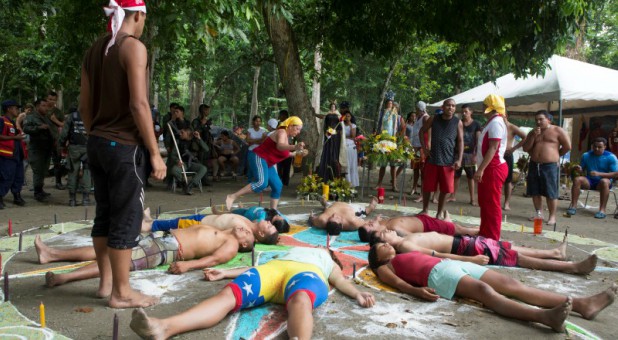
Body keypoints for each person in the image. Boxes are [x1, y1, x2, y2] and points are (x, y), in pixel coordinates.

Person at [79, 0, 167, 308]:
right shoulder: (132, 47)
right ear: (139, 14)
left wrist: (96, 133)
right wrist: (155, 154)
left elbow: (84, 104)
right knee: (127, 217)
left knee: (104, 214)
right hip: (124, 147)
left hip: (98, 143)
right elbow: (139, 105)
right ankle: (122, 293)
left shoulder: (96, 49)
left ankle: (106, 285)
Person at [129, 247, 375, 340]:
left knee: (301, 300)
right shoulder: (290, 251)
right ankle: (164, 327)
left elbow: (341, 282)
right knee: (227, 296)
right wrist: (226, 274)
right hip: (272, 270)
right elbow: (255, 268)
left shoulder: (327, 261)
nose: (325, 247)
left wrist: (357, 294)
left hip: (306, 275)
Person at [368, 242, 616, 333]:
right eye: (382, 247)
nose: (388, 246)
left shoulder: (404, 250)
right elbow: (398, 284)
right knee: (486, 293)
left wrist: (468, 260)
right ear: (379, 258)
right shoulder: (384, 267)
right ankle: (543, 317)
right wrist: (415, 291)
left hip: (447, 264)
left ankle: (583, 304)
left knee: (511, 284)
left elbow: (438, 252)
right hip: (437, 275)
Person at [36, 223, 254, 287]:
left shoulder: (232, 245)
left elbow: (214, 260)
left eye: (248, 234)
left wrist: (189, 266)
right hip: (163, 237)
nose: (245, 229)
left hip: (169, 248)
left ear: (245, 244)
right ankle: (52, 254)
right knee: (112, 249)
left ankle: (64, 278)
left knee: (120, 261)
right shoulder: (224, 231)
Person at [370, 229, 597, 275]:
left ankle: (554, 253)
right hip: (465, 249)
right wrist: (471, 259)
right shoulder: (406, 247)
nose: (387, 233)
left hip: (465, 241)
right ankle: (571, 267)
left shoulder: (403, 236)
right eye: (383, 237)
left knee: (507, 248)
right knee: (517, 259)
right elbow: (438, 255)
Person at [226, 116, 305, 211]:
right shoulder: (281, 132)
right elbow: (280, 146)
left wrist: (298, 153)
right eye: (297, 129)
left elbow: (285, 152)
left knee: (277, 185)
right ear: (291, 126)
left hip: (267, 162)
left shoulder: (286, 136)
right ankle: (232, 196)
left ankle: (273, 211)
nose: (298, 132)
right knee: (261, 183)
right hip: (258, 157)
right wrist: (295, 146)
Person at [522, 110, 571, 226]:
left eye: (541, 119)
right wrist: (534, 136)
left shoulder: (557, 130)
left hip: (549, 165)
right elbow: (526, 148)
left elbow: (567, 146)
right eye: (536, 120)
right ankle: (539, 213)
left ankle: (552, 216)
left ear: (549, 119)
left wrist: (556, 155)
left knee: (551, 192)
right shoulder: (533, 132)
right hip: (534, 164)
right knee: (535, 191)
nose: (538, 122)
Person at [419, 98, 463, 218]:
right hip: (433, 158)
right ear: (443, 107)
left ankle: (439, 213)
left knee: (446, 189)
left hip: (449, 161)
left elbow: (460, 141)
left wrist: (459, 159)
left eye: (453, 106)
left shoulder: (457, 122)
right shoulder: (434, 118)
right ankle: (425, 210)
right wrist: (424, 148)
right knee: (428, 186)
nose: (451, 108)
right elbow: (422, 131)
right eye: (448, 105)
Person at [140, 208, 279, 245]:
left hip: (199, 225)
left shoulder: (244, 232)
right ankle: (150, 221)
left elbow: (221, 236)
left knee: (169, 224)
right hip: (203, 219)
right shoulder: (252, 223)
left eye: (269, 226)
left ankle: (145, 226)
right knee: (172, 221)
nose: (269, 222)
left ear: (261, 234)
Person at [474, 95, 508, 241]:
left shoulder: (496, 123)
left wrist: (480, 169)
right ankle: (485, 232)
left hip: (493, 168)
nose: (482, 108)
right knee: (485, 202)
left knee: (492, 204)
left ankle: (493, 237)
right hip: (489, 167)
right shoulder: (492, 122)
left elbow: (493, 147)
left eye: (484, 105)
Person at [567, 137, 618, 219]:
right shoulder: (586, 155)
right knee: (577, 179)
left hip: (603, 183)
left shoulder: (611, 157)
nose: (596, 149)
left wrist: (599, 174)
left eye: (600, 147)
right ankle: (573, 206)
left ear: (605, 147)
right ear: (592, 146)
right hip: (589, 181)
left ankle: (602, 210)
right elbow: (581, 170)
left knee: (604, 181)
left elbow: (616, 174)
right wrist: (578, 168)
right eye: (595, 146)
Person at [357, 211, 479, 242]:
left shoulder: (381, 224)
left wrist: (375, 220)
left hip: (422, 219)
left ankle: (448, 222)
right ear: (373, 233)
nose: (369, 223)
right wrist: (435, 236)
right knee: (460, 230)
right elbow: (414, 236)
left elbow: (373, 221)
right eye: (370, 226)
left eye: (368, 223)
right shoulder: (393, 231)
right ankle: (481, 231)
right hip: (427, 226)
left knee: (454, 226)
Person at [23, 98, 56, 201]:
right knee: (38, 171)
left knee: (43, 170)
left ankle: (40, 189)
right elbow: (26, 129)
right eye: (43, 106)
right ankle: (37, 192)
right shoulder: (31, 117)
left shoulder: (46, 117)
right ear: (37, 106)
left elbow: (52, 130)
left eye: (46, 106)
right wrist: (39, 128)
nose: (46, 108)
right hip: (36, 148)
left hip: (47, 148)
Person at [448, 104, 480, 205]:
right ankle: (453, 196)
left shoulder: (476, 124)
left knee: (470, 177)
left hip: (470, 154)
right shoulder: (458, 123)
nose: (464, 113)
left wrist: (476, 154)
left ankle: (472, 199)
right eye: (463, 112)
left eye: (466, 111)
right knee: (456, 175)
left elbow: (478, 140)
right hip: (458, 153)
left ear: (471, 112)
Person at [58, 108, 91, 206]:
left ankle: (72, 199)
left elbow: (64, 133)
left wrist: (61, 145)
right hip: (88, 148)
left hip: (74, 148)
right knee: (87, 172)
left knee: (72, 172)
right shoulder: (93, 115)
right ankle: (86, 199)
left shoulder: (72, 116)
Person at [375, 93, 406, 191]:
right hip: (383, 139)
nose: (389, 104)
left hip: (392, 140)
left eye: (391, 103)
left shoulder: (395, 114)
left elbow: (400, 127)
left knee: (393, 165)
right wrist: (377, 137)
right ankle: (379, 184)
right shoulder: (382, 113)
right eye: (388, 103)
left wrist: (398, 138)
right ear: (385, 104)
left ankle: (394, 185)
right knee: (383, 164)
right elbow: (379, 125)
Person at [0, 99, 26, 209]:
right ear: (9, 109)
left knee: (19, 177)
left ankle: (17, 195)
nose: (17, 110)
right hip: (6, 155)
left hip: (17, 155)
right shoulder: (2, 120)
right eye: (15, 108)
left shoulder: (13, 122)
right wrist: (14, 137)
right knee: (6, 177)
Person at [168, 127, 209, 195]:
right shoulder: (178, 142)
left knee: (203, 168)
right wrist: (177, 161)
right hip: (183, 163)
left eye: (182, 132)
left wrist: (199, 138)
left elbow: (206, 149)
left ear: (188, 133)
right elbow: (173, 155)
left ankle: (190, 186)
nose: (180, 134)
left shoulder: (196, 140)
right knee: (174, 170)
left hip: (193, 164)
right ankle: (184, 184)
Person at [309, 196, 378, 233]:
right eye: (337, 218)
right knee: (363, 212)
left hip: (332, 205)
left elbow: (312, 219)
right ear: (342, 225)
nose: (335, 214)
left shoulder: (322, 220)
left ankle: (325, 204)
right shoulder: (353, 222)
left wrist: (312, 217)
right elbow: (366, 223)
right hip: (352, 209)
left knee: (327, 208)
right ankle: (370, 208)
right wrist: (376, 220)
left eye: (332, 216)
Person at [315, 102, 346, 183]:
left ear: (335, 107)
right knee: (326, 150)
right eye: (331, 106)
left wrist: (335, 131)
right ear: (330, 107)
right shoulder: (327, 115)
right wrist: (327, 132)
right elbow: (324, 125)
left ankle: (335, 172)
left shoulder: (338, 116)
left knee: (334, 152)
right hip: (328, 135)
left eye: (334, 106)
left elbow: (340, 127)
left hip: (335, 137)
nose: (332, 107)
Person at [212, 204, 291, 233]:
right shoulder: (281, 218)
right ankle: (241, 208)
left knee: (231, 214)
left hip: (245, 216)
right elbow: (285, 221)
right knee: (235, 211)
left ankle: (218, 214)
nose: (280, 216)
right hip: (249, 211)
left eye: (279, 217)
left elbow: (255, 223)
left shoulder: (263, 219)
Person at [503, 120, 527, 210]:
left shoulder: (511, 127)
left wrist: (514, 148)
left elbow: (525, 136)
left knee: (508, 180)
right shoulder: (494, 124)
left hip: (507, 153)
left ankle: (506, 203)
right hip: (496, 154)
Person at [191, 104, 217, 184]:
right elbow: (195, 132)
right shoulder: (196, 121)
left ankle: (204, 180)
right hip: (198, 145)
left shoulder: (207, 121)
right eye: (207, 110)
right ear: (203, 110)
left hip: (206, 145)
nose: (208, 112)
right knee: (199, 162)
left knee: (206, 163)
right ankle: (197, 180)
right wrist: (202, 124)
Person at [46, 91, 67, 190]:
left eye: (54, 100)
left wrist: (55, 120)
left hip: (55, 140)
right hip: (42, 140)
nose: (51, 102)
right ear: (46, 98)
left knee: (57, 162)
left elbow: (64, 125)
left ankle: (58, 182)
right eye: (50, 99)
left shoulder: (58, 112)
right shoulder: (41, 109)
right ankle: (38, 184)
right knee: (42, 162)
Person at [409, 101, 430, 197]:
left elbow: (428, 131)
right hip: (415, 146)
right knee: (415, 168)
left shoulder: (425, 117)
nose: (416, 110)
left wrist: (427, 145)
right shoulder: (417, 117)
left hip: (422, 147)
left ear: (420, 109)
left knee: (423, 171)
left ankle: (422, 193)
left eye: (417, 109)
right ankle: (414, 187)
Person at [246, 115, 267, 181]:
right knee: (251, 165)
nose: (258, 123)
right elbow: (247, 141)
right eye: (256, 121)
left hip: (260, 151)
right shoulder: (249, 130)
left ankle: (258, 180)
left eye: (259, 121)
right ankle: (250, 180)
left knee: (259, 166)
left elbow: (263, 141)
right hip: (251, 150)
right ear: (253, 122)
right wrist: (259, 139)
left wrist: (253, 140)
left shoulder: (263, 130)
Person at [276, 110, 294, 186]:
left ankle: (285, 182)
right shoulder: (279, 124)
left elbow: (293, 136)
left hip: (288, 147)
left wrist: (292, 145)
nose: (279, 117)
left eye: (280, 115)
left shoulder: (291, 124)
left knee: (287, 166)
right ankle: (279, 181)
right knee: (279, 166)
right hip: (280, 147)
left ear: (284, 116)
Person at [342, 109, 359, 187]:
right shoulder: (341, 124)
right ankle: (345, 181)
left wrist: (350, 125)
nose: (347, 118)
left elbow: (353, 136)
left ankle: (352, 182)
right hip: (343, 144)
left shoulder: (353, 125)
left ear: (351, 117)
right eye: (346, 116)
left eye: (349, 116)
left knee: (351, 164)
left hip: (350, 145)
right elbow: (340, 135)